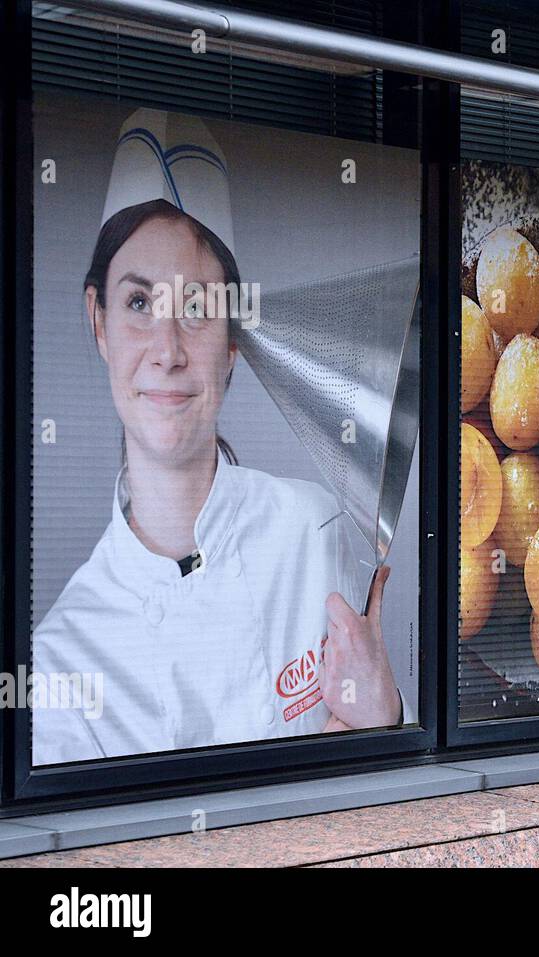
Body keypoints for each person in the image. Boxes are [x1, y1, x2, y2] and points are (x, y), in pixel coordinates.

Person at [33, 109, 408, 765]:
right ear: (98, 321)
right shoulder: (61, 660)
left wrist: (389, 719)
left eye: (198, 307)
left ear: (234, 341)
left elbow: (388, 807)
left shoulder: (311, 528)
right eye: (140, 302)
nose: (168, 350)